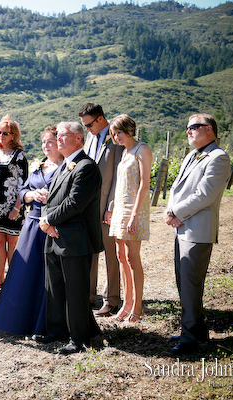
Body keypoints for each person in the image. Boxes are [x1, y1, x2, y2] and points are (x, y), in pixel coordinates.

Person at [34, 121, 103, 354]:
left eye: (64, 135)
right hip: (55, 236)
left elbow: (75, 203)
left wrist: (49, 221)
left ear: (78, 138)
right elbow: (51, 200)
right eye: (58, 135)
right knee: (54, 287)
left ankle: (80, 338)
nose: (59, 139)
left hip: (75, 239)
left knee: (75, 291)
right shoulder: (65, 166)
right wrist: (47, 221)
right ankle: (57, 331)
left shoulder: (86, 167)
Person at [165, 113, 230, 355]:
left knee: (191, 284)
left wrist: (175, 211)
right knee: (184, 282)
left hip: (198, 229)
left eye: (194, 127)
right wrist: (171, 210)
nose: (189, 131)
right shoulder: (192, 155)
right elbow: (177, 187)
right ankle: (198, 328)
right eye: (187, 127)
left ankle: (190, 338)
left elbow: (206, 195)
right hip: (182, 227)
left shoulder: (218, 157)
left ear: (209, 129)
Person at [0, 126, 64, 335]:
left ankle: (43, 322)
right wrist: (31, 196)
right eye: (44, 142)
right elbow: (22, 191)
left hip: (52, 223)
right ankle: (18, 319)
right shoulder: (38, 165)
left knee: (45, 274)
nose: (46, 146)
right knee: (24, 271)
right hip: (32, 224)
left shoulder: (67, 167)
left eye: (50, 142)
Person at [107, 115, 152, 325]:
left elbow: (144, 184)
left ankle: (137, 307)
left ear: (129, 129)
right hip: (119, 210)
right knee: (120, 256)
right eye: (114, 133)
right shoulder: (124, 153)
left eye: (119, 132)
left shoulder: (142, 150)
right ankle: (126, 303)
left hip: (135, 209)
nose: (116, 136)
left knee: (133, 258)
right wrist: (112, 209)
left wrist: (134, 215)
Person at [79, 103, 123, 316]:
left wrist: (111, 207)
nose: (87, 129)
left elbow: (118, 177)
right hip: (88, 205)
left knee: (110, 254)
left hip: (106, 206)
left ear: (100, 119)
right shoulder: (89, 138)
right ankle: (87, 295)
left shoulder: (116, 139)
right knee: (90, 251)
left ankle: (112, 299)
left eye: (89, 125)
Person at [0, 115, 28, 294]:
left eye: (5, 133)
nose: (1, 135)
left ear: (13, 135)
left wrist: (17, 207)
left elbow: (23, 183)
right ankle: (0, 280)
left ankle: (13, 281)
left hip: (12, 206)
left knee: (12, 243)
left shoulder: (19, 156)